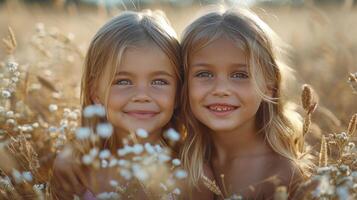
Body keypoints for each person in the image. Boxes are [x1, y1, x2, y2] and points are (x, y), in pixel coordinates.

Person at [180, 7, 313, 200]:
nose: (221, 89)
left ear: (270, 86)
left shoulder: (281, 175)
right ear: (184, 83)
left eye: (240, 75)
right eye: (204, 74)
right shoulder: (179, 159)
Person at [51, 10, 185, 200]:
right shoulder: (75, 172)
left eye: (159, 81)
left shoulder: (191, 175)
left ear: (179, 92)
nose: (142, 96)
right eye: (123, 81)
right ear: (95, 92)